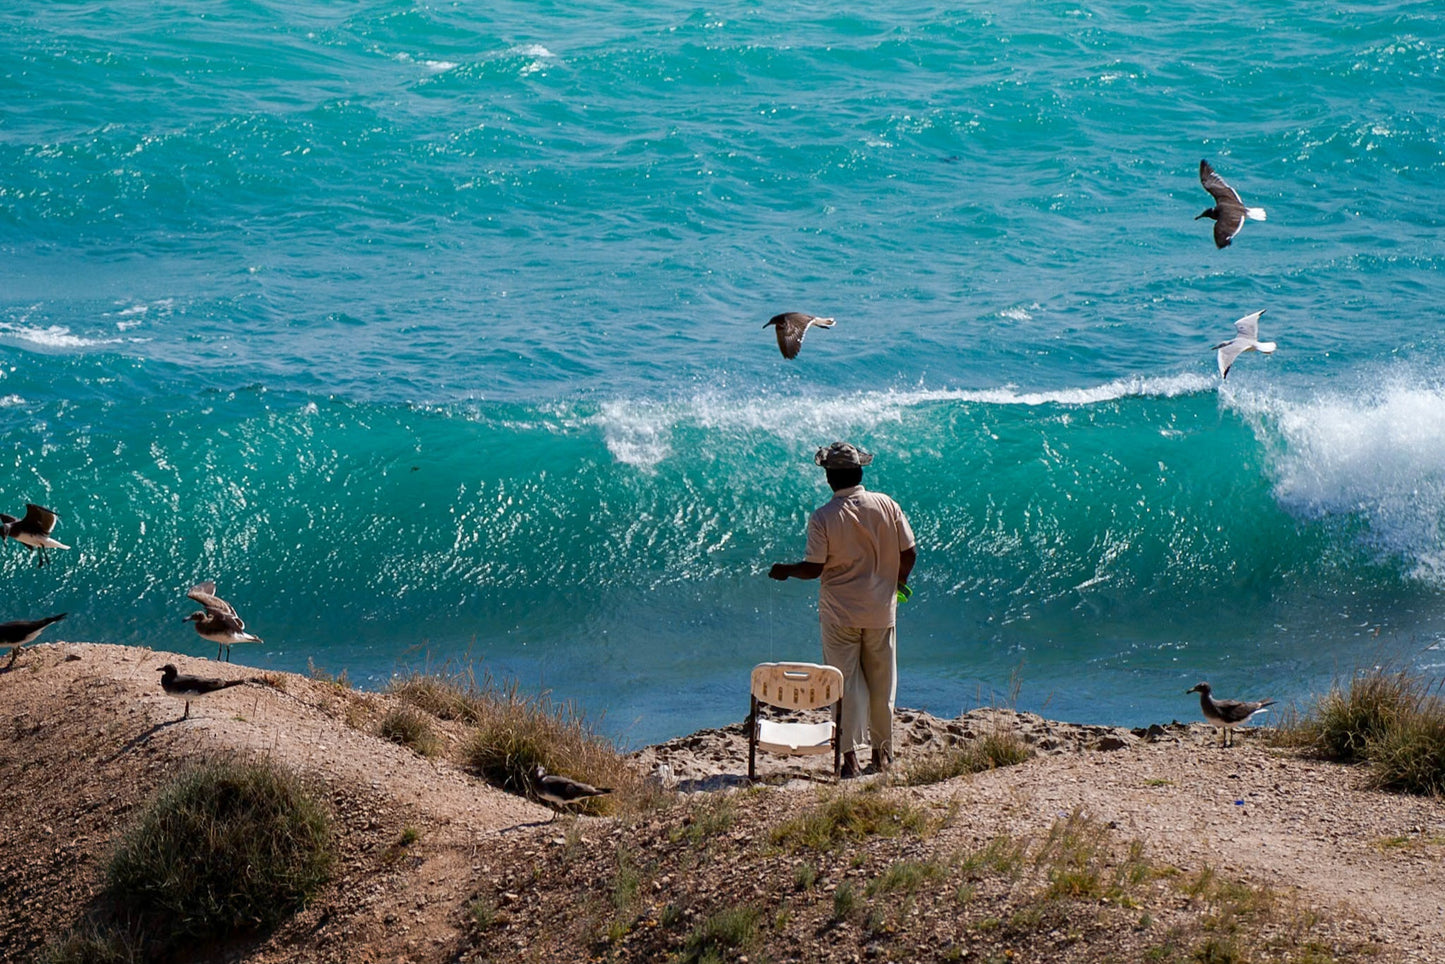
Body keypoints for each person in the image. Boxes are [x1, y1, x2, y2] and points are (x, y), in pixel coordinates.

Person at [769, 441, 916, 777]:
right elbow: (909, 552)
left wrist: (786, 570)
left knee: (844, 685)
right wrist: (897, 583)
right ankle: (882, 755)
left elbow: (814, 569)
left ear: (829, 478)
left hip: (840, 614)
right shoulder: (887, 504)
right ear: (860, 472)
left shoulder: (823, 516)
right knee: (882, 685)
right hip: (880, 611)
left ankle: (849, 760)